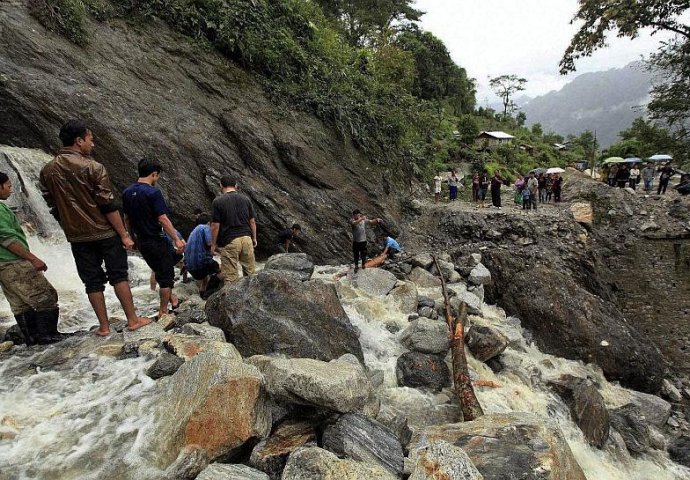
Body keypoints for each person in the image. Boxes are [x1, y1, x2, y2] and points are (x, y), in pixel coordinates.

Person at [40, 120, 151, 336]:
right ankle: (133, 320)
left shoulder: (47, 171)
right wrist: (124, 235)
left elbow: (52, 205)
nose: (93, 143)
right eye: (90, 139)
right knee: (118, 275)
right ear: (79, 140)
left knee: (91, 282)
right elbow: (107, 204)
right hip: (105, 232)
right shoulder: (93, 167)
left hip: (77, 237)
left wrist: (69, 226)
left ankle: (104, 327)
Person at [0, 172, 61, 345]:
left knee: (20, 304)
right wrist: (33, 259)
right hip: (14, 262)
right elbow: (7, 239)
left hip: (3, 266)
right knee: (46, 296)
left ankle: (32, 339)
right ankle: (48, 336)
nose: (11, 190)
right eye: (8, 186)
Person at [122, 158, 186, 319]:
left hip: (142, 242)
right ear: (154, 174)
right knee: (166, 278)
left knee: (165, 265)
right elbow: (162, 219)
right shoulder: (153, 192)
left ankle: (173, 299)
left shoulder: (127, 192)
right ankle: (163, 311)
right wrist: (176, 239)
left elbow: (127, 219)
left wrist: (132, 238)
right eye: (157, 176)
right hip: (156, 239)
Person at [210, 176, 257, 283]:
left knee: (230, 278)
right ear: (236, 186)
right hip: (246, 238)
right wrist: (254, 238)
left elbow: (215, 226)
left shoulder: (218, 201)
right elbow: (252, 221)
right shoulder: (246, 199)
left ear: (221, 186)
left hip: (230, 241)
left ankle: (232, 299)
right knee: (251, 275)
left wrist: (213, 245)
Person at [184, 213, 220, 297]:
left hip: (190, 267)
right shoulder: (205, 227)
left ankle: (202, 295)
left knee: (205, 278)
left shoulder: (193, 231)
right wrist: (220, 250)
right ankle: (210, 293)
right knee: (223, 270)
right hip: (201, 263)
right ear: (208, 223)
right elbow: (209, 243)